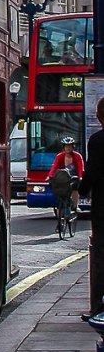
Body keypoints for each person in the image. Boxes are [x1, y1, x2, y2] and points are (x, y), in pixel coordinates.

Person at [80, 98, 104, 319]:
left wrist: (82, 189)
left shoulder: (98, 140)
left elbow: (92, 172)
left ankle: (98, 308)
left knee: (100, 257)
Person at [47, 135, 84, 210]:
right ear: (63, 147)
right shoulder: (59, 156)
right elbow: (54, 167)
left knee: (75, 188)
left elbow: (80, 168)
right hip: (63, 177)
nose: (68, 148)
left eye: (70, 146)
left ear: (73, 147)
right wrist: (50, 176)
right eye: (66, 146)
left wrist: (80, 177)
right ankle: (60, 207)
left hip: (74, 177)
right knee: (59, 189)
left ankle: (75, 206)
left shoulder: (77, 156)